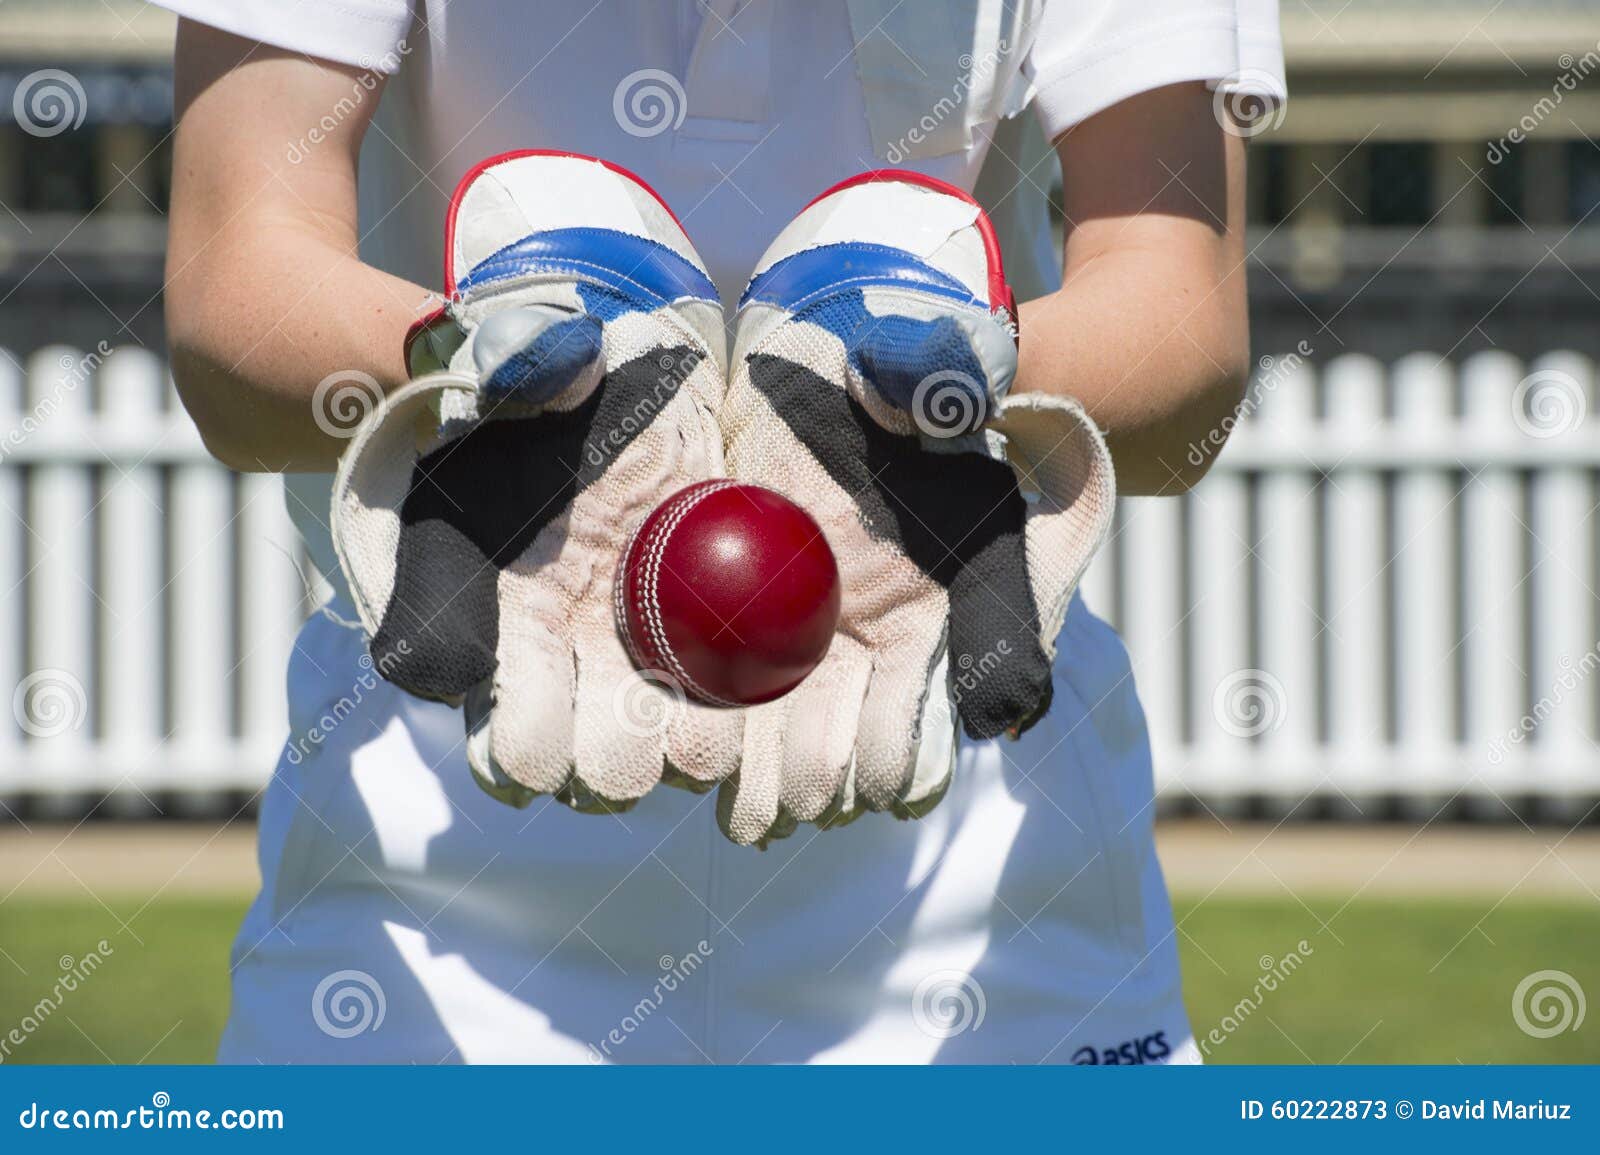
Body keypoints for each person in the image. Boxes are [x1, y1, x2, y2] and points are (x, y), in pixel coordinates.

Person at [158, 0, 1285, 1063]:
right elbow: (231, 304)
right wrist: (474, 362)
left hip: (952, 751)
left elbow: (1181, 341)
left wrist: (933, 375)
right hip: (457, 755)